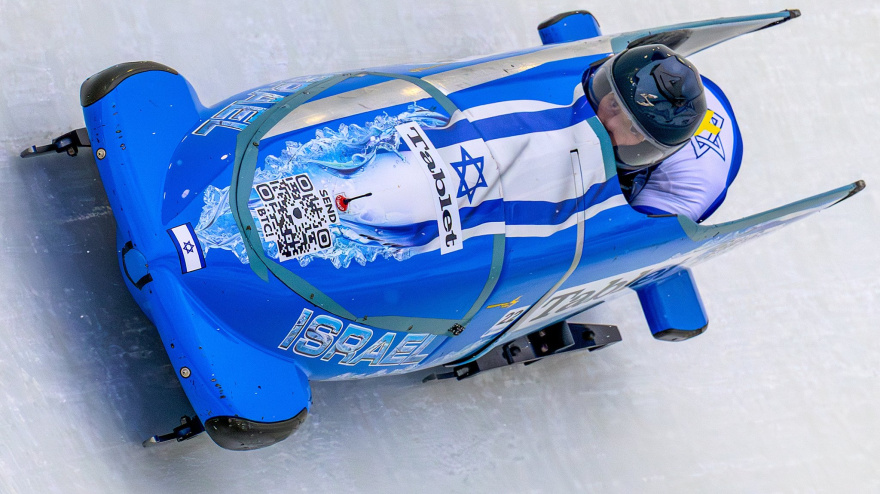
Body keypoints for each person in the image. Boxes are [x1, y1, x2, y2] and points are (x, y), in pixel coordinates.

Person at [584, 44, 742, 223]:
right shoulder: (627, 76)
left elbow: (620, 238)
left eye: (634, 129)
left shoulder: (680, 196)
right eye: (614, 104)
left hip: (690, 187)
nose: (609, 123)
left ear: (645, 144)